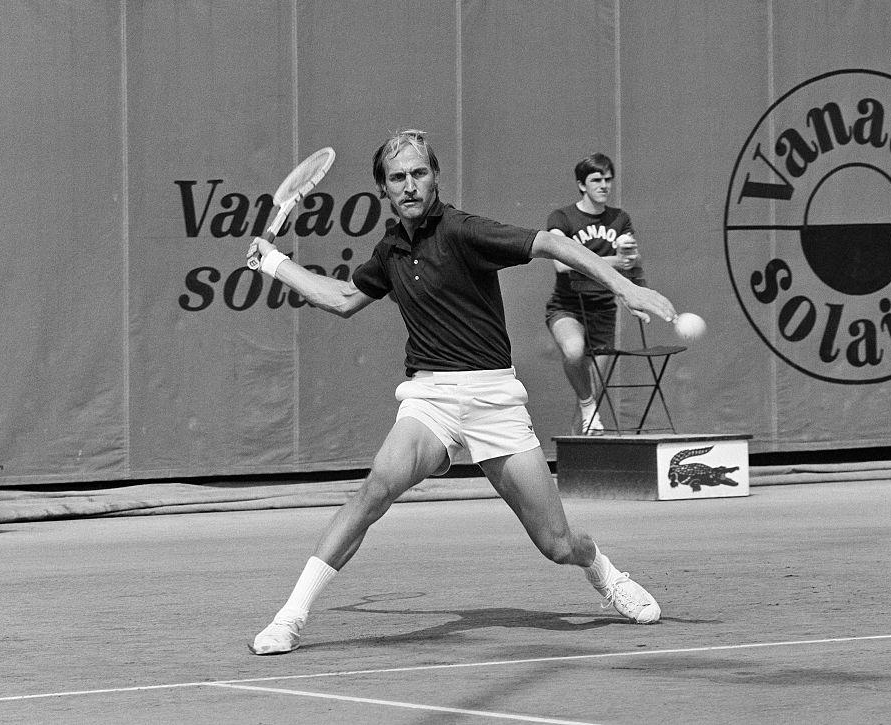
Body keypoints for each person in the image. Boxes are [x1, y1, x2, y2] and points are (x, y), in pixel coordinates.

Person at [246, 130, 676, 655]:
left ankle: (605, 574)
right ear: (384, 188)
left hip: (495, 399)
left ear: (435, 177)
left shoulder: (463, 230)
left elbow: (552, 243)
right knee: (376, 488)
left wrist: (625, 286)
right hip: (431, 399)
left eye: (419, 173)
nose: (410, 185)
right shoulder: (390, 251)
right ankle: (290, 617)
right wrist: (270, 262)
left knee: (557, 544)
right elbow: (340, 298)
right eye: (398, 177)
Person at [544, 153, 642, 435]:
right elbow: (562, 263)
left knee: (589, 403)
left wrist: (635, 297)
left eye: (608, 180)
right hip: (567, 307)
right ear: (582, 185)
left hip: (602, 312)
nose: (604, 185)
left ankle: (576, 467)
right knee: (574, 353)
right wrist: (612, 261)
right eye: (596, 180)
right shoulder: (562, 217)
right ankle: (588, 410)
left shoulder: (620, 219)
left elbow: (631, 262)